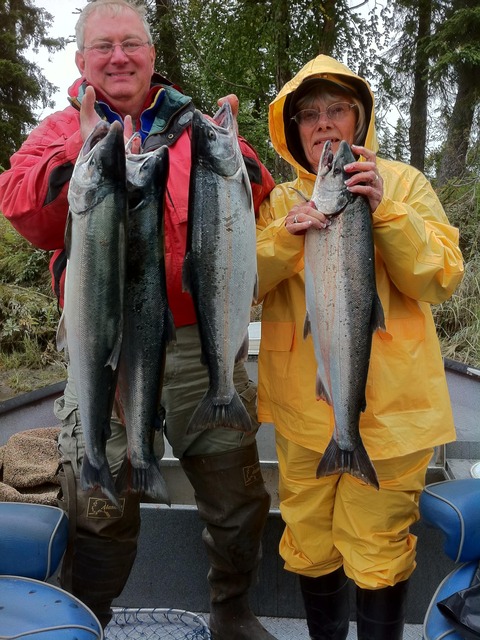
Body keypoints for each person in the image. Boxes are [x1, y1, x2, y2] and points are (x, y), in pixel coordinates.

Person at [0, 2, 277, 639]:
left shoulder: (197, 129)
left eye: (131, 44)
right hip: (105, 348)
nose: (118, 57)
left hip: (198, 342)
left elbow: (255, 189)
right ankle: (88, 615)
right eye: (103, 47)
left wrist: (227, 141)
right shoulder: (58, 132)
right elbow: (23, 210)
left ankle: (231, 609)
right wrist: (86, 144)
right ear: (81, 61)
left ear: (152, 57)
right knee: (99, 500)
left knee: (237, 497)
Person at [255, 54, 464, 640]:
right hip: (303, 415)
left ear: (359, 118)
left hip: (392, 419)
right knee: (308, 542)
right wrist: (282, 237)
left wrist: (386, 212)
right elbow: (244, 284)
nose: (323, 123)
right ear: (293, 128)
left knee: (379, 551)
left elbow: (439, 279)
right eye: (309, 114)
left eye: (337, 110)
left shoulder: (403, 184)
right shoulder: (278, 202)